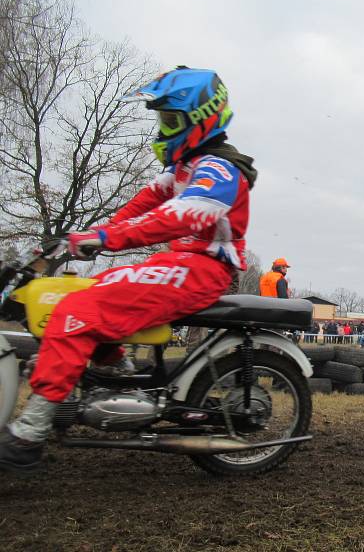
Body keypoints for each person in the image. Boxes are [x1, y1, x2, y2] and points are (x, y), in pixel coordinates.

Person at [0, 66, 256, 472]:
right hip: (177, 263)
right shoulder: (181, 169)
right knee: (74, 295)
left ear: (201, 118)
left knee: (75, 313)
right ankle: (116, 368)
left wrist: (107, 239)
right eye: (163, 119)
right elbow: (139, 207)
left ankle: (31, 430)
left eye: (171, 120)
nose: (163, 127)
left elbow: (179, 215)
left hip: (204, 269)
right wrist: (86, 235)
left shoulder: (221, 170)